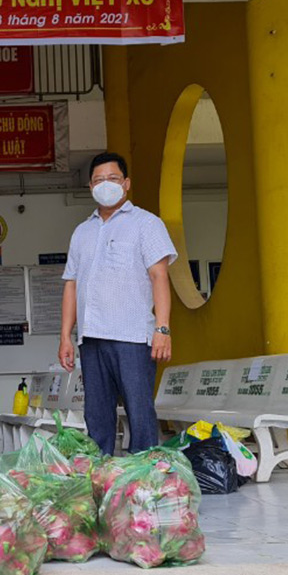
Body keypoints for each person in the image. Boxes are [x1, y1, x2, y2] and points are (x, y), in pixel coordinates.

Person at [58, 152, 176, 455]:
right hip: (91, 337)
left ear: (126, 183)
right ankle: (101, 475)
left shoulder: (147, 224)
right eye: (98, 180)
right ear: (89, 187)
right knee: (96, 414)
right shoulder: (81, 231)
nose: (105, 185)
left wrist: (163, 328)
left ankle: (144, 475)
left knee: (139, 410)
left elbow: (159, 276)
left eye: (112, 178)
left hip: (132, 336)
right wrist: (65, 337)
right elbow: (71, 284)